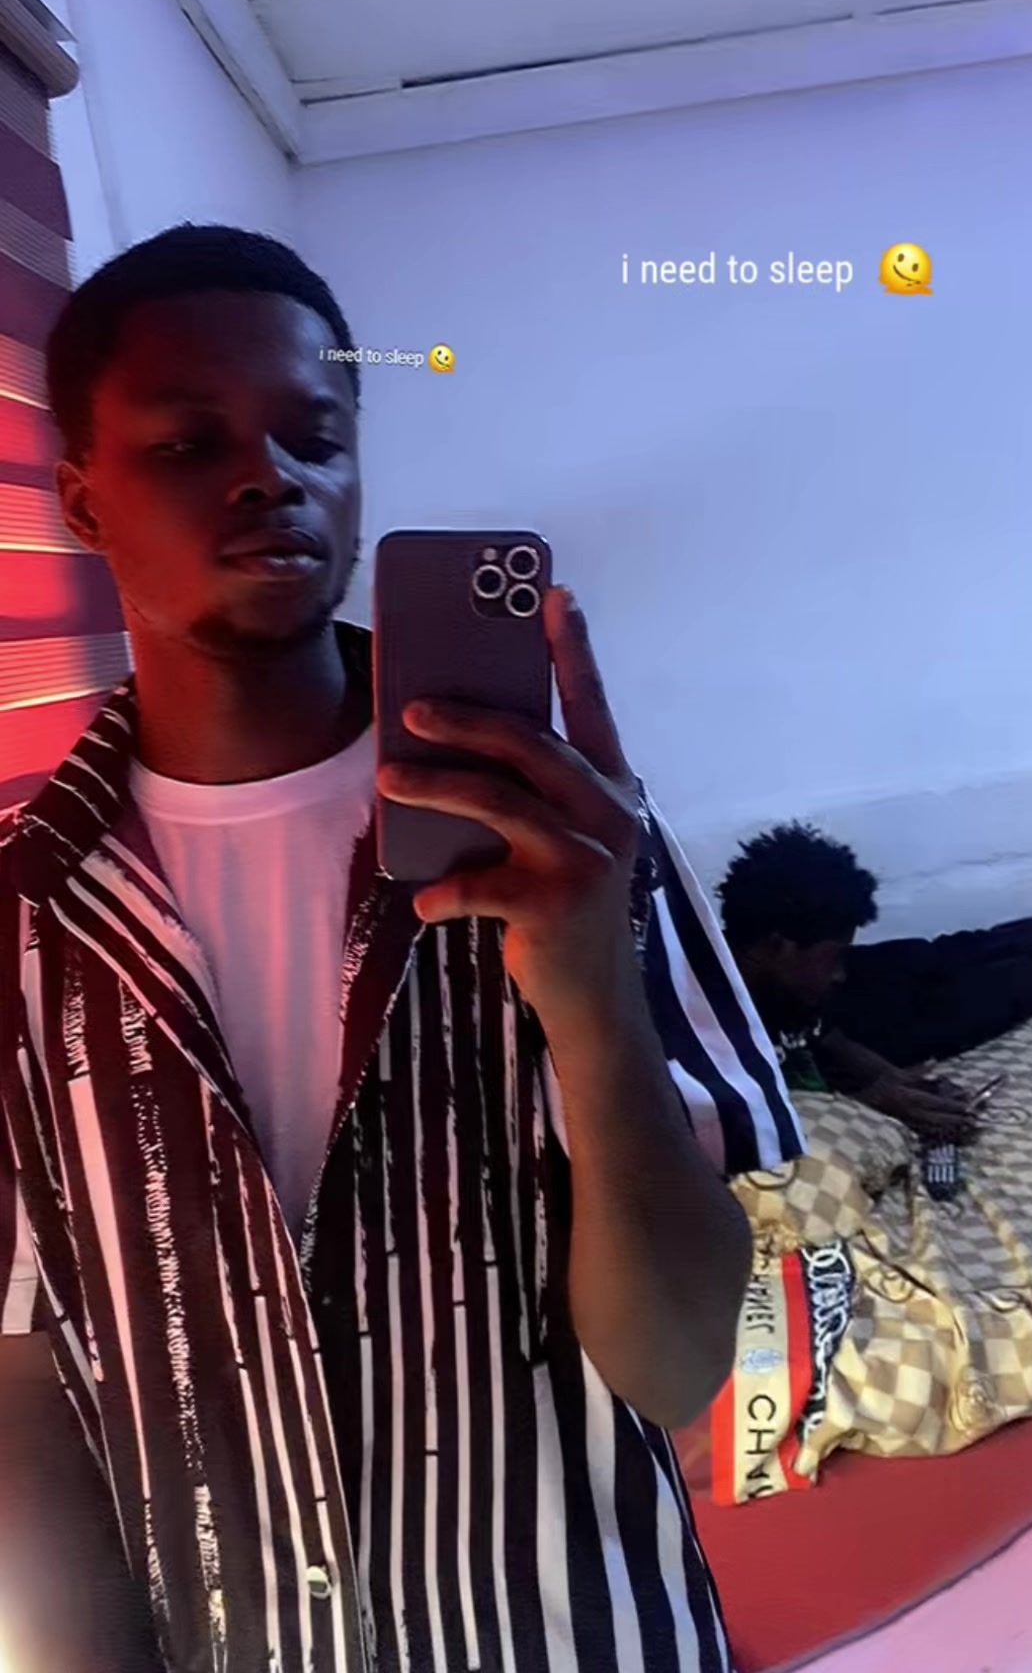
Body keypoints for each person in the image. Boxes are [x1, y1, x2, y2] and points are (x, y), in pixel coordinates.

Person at [0, 224, 803, 1673]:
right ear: (81, 502)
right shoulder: (24, 908)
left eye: (315, 437)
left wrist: (593, 1003)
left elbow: (683, 1366)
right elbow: (26, 1395)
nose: (271, 476)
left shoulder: (559, 830)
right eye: (188, 444)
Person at [716, 824, 977, 1142]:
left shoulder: (781, 993)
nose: (839, 974)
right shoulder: (699, 1030)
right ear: (777, 946)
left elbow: (827, 1038)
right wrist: (868, 1106)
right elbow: (741, 1136)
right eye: (834, 957)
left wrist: (901, 1081)